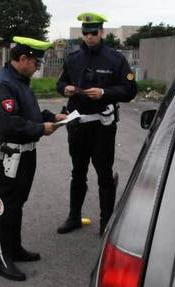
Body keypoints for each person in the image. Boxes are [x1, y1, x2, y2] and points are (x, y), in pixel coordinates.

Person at [0, 36, 67, 281]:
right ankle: (1, 258)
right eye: (35, 62)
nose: (38, 67)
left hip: (26, 153)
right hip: (10, 155)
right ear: (22, 59)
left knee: (17, 205)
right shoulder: (3, 84)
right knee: (6, 207)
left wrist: (52, 116)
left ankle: (15, 248)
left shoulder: (20, 81)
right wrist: (40, 129)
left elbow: (29, 112)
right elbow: (9, 123)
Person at [56, 13, 137, 236]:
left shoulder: (115, 58)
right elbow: (60, 83)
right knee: (78, 172)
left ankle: (106, 224)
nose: (89, 37)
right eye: (85, 33)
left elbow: (130, 90)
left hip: (103, 125)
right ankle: (73, 217)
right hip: (78, 124)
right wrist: (65, 89)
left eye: (93, 33)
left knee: (104, 174)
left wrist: (104, 92)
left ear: (101, 32)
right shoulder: (73, 58)